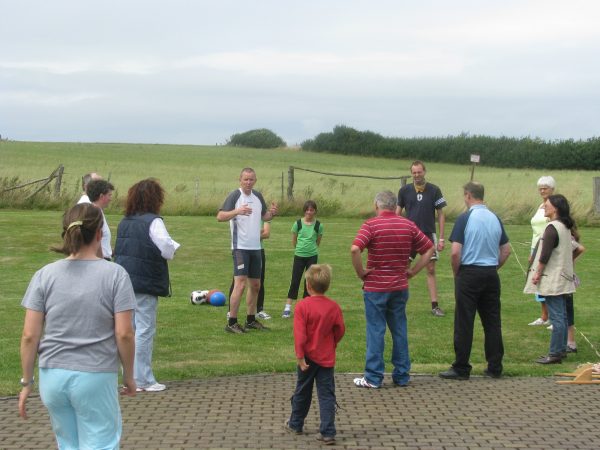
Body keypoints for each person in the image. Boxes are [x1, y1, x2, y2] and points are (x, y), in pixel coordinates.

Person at [19, 203, 136, 449]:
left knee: (68, 444)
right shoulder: (116, 274)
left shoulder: (44, 275)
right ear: (99, 234)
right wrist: (129, 376)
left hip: (52, 377)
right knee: (101, 442)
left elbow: (30, 335)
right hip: (95, 374)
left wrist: (27, 382)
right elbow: (124, 333)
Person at [351, 191, 434, 388]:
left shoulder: (370, 225)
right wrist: (413, 271)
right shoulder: (408, 225)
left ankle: (373, 377)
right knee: (399, 330)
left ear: (376, 205)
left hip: (376, 287)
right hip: (399, 285)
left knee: (376, 330)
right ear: (395, 205)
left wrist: (361, 272)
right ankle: (402, 375)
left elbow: (355, 249)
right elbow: (429, 248)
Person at [114, 178, 180, 391]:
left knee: (128, 329)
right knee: (144, 329)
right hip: (144, 281)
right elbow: (166, 247)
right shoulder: (154, 221)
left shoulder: (125, 221)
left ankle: (128, 377)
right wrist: (174, 248)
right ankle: (143, 379)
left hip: (124, 280)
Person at [439, 182, 510, 380]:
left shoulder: (465, 218)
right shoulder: (495, 218)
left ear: (468, 195)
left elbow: (455, 252)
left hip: (469, 273)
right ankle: (495, 366)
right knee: (492, 322)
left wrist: (457, 273)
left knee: (464, 321)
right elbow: (506, 250)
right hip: (490, 273)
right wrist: (494, 267)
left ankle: (461, 367)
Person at [285, 264, 345, 446]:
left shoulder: (303, 306)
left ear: (308, 285)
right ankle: (328, 432)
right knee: (326, 394)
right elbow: (340, 329)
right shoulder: (333, 307)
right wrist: (332, 342)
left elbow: (300, 334)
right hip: (326, 357)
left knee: (302, 391)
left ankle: (296, 423)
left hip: (308, 358)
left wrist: (299, 356)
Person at [217, 168, 278, 334]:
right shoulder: (235, 196)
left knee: (256, 285)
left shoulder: (257, 196)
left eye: (251, 179)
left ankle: (251, 320)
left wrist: (272, 214)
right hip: (240, 248)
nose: (248, 182)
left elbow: (264, 216)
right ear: (240, 180)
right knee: (240, 284)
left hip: (256, 248)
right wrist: (237, 211)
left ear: (255, 180)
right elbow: (220, 216)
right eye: (245, 179)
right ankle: (232, 322)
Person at [524, 194, 578, 364]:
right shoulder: (565, 226)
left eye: (546, 205)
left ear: (556, 208)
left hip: (553, 278)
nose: (544, 207)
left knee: (556, 317)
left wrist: (537, 273)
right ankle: (560, 351)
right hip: (563, 277)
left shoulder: (552, 227)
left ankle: (554, 354)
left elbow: (545, 255)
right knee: (561, 316)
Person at [397, 160, 447, 317]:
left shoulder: (434, 190)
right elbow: (397, 213)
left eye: (419, 172)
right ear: (411, 173)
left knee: (431, 269)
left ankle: (435, 306)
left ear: (424, 171)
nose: (417, 175)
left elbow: (441, 214)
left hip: (427, 235)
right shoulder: (404, 191)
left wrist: (441, 238)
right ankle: (398, 304)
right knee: (403, 268)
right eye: (414, 172)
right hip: (408, 236)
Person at [282, 200, 323, 318]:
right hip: (299, 255)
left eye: (312, 210)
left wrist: (311, 250)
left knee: (309, 282)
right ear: (304, 211)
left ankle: (307, 307)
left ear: (315, 211)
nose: (309, 212)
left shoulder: (319, 225)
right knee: (295, 280)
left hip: (312, 256)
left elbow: (318, 241)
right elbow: (294, 241)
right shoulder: (297, 224)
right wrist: (300, 249)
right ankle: (288, 307)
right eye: (307, 210)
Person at [228, 221, 271, 319]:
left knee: (258, 283)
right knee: (238, 282)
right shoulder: (242, 211)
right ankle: (231, 314)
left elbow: (266, 233)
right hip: (241, 250)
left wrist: (249, 235)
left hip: (258, 250)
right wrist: (255, 234)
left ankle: (258, 311)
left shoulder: (262, 213)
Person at [527, 176, 556, 327]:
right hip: (536, 247)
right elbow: (535, 230)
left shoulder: (555, 205)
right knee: (538, 283)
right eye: (540, 188)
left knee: (548, 280)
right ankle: (544, 316)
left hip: (547, 247)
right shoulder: (540, 206)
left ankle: (554, 317)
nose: (542, 190)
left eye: (545, 187)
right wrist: (531, 252)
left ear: (552, 189)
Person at [566, 234, 585, 353]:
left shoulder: (567, 236)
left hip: (565, 280)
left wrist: (570, 259)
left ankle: (571, 343)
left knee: (567, 310)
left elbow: (580, 248)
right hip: (566, 278)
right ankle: (568, 342)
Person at [87, 179, 114, 260]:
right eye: (109, 195)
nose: (110, 198)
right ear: (101, 196)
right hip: (100, 260)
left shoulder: (98, 211)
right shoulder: (95, 214)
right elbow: (94, 240)